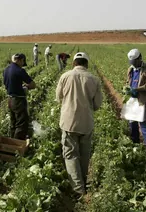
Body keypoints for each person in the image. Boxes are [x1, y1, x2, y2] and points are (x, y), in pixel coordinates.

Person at [56, 52, 102, 198]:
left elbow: (58, 98)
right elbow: (97, 104)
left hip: (68, 122)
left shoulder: (65, 76)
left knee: (70, 154)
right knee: (84, 154)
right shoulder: (94, 79)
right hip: (86, 123)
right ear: (86, 64)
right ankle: (83, 181)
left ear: (74, 63)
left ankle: (78, 189)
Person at [4, 53, 36, 140]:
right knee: (21, 124)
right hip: (18, 100)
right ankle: (17, 147)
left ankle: (11, 142)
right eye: (23, 62)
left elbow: (7, 84)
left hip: (10, 99)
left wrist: (18, 86)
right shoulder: (20, 70)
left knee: (13, 123)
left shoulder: (6, 69)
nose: (22, 65)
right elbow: (33, 84)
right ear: (20, 60)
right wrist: (26, 87)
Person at [125, 49, 146, 145]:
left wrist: (137, 89)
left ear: (139, 59)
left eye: (134, 62)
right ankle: (135, 145)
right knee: (132, 123)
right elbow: (127, 81)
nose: (133, 64)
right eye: (131, 62)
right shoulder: (130, 69)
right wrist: (126, 88)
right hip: (132, 100)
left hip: (142, 100)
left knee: (143, 124)